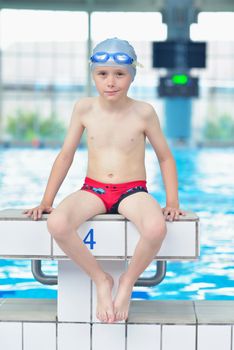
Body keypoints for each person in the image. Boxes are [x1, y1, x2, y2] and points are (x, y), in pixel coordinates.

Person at [24, 38, 185, 324]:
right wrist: (47, 201)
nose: (111, 82)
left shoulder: (144, 112)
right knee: (57, 223)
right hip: (93, 189)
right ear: (93, 75)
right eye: (103, 74)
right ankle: (101, 279)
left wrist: (172, 201)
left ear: (132, 76)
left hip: (132, 191)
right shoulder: (84, 109)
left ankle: (127, 280)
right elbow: (65, 156)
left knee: (155, 227)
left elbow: (165, 158)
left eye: (119, 74)